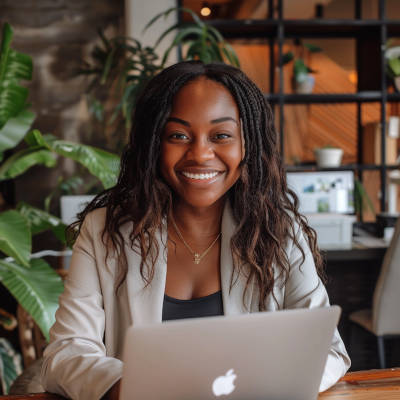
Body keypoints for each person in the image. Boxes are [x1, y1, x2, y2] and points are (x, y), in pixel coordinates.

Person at [41, 60, 350, 400]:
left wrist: (267, 387)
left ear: (248, 145)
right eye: (178, 135)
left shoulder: (278, 232)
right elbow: (66, 353)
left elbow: (329, 352)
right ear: (153, 144)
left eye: (221, 136)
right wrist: (130, 387)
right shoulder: (105, 232)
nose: (200, 154)